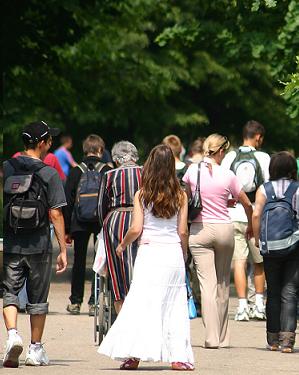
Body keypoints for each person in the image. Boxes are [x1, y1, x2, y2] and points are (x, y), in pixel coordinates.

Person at [98, 144, 194, 371]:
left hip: (149, 254)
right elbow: (182, 231)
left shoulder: (142, 194)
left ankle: (134, 355)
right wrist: (184, 251)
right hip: (172, 255)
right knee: (174, 305)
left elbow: (136, 228)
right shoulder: (181, 195)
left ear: (150, 165)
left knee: (140, 303)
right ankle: (178, 357)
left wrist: (122, 245)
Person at [3, 121, 67, 367]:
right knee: (38, 297)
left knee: (10, 291)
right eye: (50, 139)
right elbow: (56, 214)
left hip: (11, 242)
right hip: (39, 243)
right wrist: (63, 249)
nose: (51, 144)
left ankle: (12, 336)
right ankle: (34, 349)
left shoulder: (7, 168)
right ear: (42, 143)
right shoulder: (48, 173)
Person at [183, 134, 253, 348]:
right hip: (223, 229)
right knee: (223, 283)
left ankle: (211, 337)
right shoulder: (228, 174)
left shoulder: (191, 171)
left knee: (207, 285)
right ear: (221, 151)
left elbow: (187, 199)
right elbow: (247, 203)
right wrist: (250, 225)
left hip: (199, 229)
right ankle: (223, 337)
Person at [222, 120, 270, 321]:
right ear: (258, 136)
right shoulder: (263, 157)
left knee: (239, 262)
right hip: (256, 216)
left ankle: (242, 307)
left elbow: (223, 185)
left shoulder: (230, 156)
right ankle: (259, 304)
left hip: (233, 214)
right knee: (259, 262)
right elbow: (267, 188)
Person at [252, 151, 299, 353]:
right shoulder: (297, 189)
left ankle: (272, 340)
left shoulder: (264, 188)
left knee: (273, 292)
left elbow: (256, 214)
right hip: (293, 246)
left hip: (270, 246)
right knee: (290, 292)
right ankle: (287, 342)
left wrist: (257, 238)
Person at [64, 134, 111, 316]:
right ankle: (94, 303)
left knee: (79, 262)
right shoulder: (106, 170)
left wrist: (67, 229)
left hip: (79, 222)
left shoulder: (76, 171)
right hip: (100, 221)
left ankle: (75, 302)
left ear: (85, 150)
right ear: (100, 150)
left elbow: (67, 200)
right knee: (98, 261)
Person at [97, 141, 142, 314]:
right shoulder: (145, 172)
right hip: (142, 220)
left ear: (116, 159)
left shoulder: (110, 175)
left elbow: (101, 206)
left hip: (116, 220)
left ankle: (122, 309)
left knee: (117, 268)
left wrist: (103, 226)